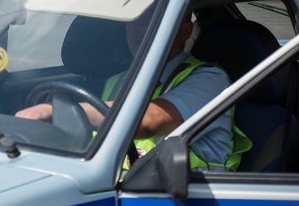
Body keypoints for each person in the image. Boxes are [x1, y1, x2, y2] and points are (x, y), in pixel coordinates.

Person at [16, 10, 248, 170]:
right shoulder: (120, 79)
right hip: (124, 190)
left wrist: (58, 111)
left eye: (154, 18)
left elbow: (149, 120)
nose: (139, 28)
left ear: (185, 32)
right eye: (135, 18)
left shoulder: (208, 80)